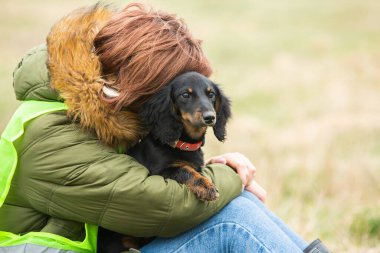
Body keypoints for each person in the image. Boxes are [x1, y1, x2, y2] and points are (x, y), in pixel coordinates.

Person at [0, 3, 331, 253]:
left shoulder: (105, 114)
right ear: (137, 82)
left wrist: (221, 172)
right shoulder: (52, 135)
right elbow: (163, 206)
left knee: (237, 207)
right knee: (231, 220)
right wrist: (233, 175)